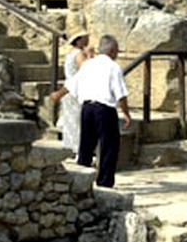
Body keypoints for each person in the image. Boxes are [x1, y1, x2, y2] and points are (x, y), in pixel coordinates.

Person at [50, 35, 132, 188]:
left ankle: (81, 180)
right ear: (112, 50)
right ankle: (105, 182)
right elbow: (121, 93)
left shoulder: (88, 65)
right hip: (104, 109)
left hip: (87, 109)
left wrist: (57, 94)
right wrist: (126, 113)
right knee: (108, 146)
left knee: (86, 145)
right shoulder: (113, 67)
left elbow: (72, 84)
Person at [58, 33, 94, 156]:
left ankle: (71, 149)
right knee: (78, 121)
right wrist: (90, 56)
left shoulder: (70, 53)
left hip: (69, 88)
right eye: (85, 37)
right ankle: (79, 150)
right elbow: (87, 70)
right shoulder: (79, 54)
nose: (87, 39)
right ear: (78, 41)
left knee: (72, 120)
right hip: (77, 90)